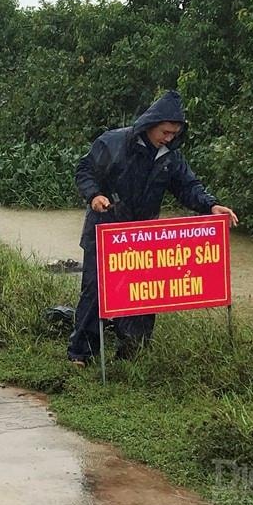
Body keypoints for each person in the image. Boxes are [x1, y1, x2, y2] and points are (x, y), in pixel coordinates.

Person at [67, 90, 238, 365]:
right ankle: (81, 354)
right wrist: (94, 195)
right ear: (151, 124)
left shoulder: (170, 157)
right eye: (165, 131)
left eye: (174, 133)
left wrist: (210, 206)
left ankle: (132, 355)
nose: (169, 137)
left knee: (140, 296)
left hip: (142, 238)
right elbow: (84, 170)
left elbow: (188, 187)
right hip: (105, 231)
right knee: (95, 291)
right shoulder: (113, 143)